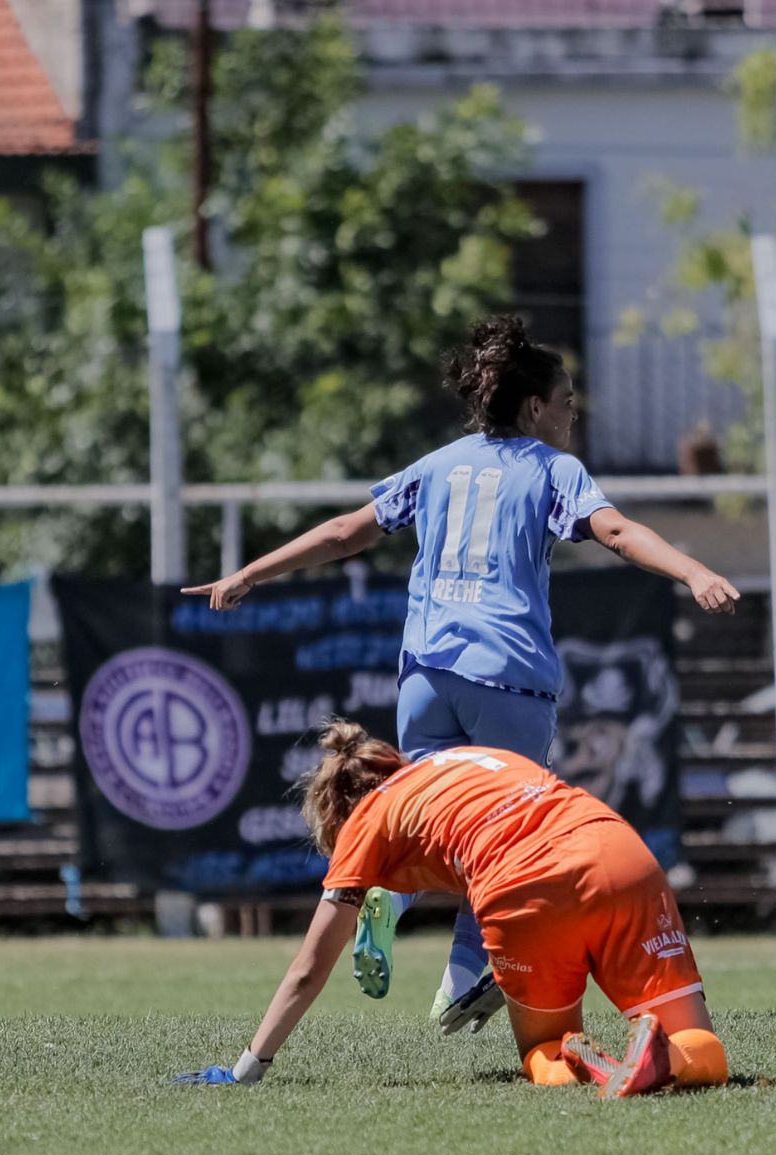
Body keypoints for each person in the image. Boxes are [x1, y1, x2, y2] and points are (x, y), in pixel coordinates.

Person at [183, 315, 740, 1025]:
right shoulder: (552, 469)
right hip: (506, 675)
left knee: (428, 823)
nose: (572, 414)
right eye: (566, 400)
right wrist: (692, 571)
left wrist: (252, 571)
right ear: (533, 407)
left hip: (425, 674)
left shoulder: (439, 464)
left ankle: (389, 895)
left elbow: (343, 532)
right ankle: (463, 977)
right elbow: (619, 533)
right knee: (504, 835)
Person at [171, 722, 728, 1097]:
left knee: (543, 1050)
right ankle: (671, 1061)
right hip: (618, 848)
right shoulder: (460, 761)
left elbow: (309, 969)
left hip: (524, 885)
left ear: (341, 809)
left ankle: (578, 1058)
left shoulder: (366, 822)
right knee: (706, 1051)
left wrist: (249, 1066)